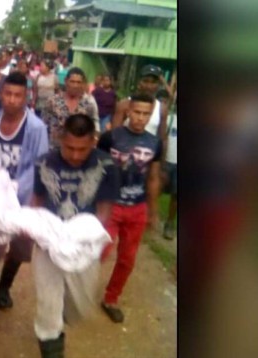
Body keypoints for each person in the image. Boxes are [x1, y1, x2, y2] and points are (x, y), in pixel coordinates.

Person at [30, 113, 119, 357]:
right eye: (69, 148)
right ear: (60, 139)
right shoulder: (44, 163)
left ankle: (59, 317)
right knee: (49, 304)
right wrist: (37, 234)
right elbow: (36, 201)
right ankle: (52, 343)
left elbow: (104, 212)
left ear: (93, 141)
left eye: (83, 148)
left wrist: (81, 243)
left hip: (84, 247)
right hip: (48, 243)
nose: (76, 155)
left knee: (79, 306)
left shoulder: (106, 166)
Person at [0, 71, 49, 330]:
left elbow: (41, 167)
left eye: (17, 95)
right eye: (7, 94)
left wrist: (34, 206)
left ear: (26, 97)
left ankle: (4, 287)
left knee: (19, 252)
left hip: (24, 201)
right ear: (1, 95)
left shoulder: (36, 128)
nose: (11, 99)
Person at [98, 93, 163, 323]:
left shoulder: (155, 143)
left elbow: (154, 178)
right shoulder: (110, 138)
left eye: (146, 114)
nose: (140, 118)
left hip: (137, 207)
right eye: (137, 112)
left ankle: (111, 298)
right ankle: (76, 289)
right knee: (99, 251)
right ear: (128, 111)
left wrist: (152, 212)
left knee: (127, 259)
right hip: (111, 205)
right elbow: (97, 170)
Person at [42, 67, 99, 150]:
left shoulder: (88, 103)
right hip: (55, 149)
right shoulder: (53, 101)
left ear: (82, 84)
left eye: (78, 82)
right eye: (72, 81)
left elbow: (94, 126)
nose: (75, 85)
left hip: (77, 151)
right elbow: (44, 125)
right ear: (66, 81)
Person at [111, 64, 168, 142]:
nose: (149, 86)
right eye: (145, 81)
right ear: (139, 83)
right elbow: (114, 134)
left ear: (158, 85)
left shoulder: (161, 109)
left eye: (153, 82)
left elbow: (162, 139)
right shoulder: (124, 105)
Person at [163, 99, 177, 240]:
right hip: (167, 161)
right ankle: (148, 217)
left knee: (176, 196)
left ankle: (169, 223)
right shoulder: (170, 118)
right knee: (156, 191)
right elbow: (162, 138)